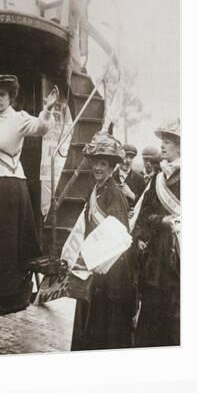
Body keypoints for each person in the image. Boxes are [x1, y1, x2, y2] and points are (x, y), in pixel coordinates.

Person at [0, 74, 59, 309]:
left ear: (11, 97)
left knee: (6, 242)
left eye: (2, 94)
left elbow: (41, 128)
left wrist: (47, 109)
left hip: (10, 185)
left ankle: (9, 294)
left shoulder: (18, 118)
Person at [71, 132, 136, 351]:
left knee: (105, 321)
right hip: (95, 263)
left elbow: (119, 235)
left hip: (111, 269)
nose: (98, 168)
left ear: (111, 168)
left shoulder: (114, 194)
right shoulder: (96, 190)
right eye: (95, 163)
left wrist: (96, 258)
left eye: (103, 164)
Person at [133, 119, 181, 347]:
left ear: (180, 147)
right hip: (156, 256)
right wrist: (151, 228)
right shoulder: (157, 179)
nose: (162, 146)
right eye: (162, 141)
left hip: (178, 256)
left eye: (168, 142)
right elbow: (144, 215)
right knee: (152, 307)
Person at [113, 143, 146, 215]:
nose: (128, 160)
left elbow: (145, 204)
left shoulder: (140, 179)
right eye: (125, 157)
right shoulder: (111, 177)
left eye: (131, 157)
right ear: (119, 158)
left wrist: (131, 195)